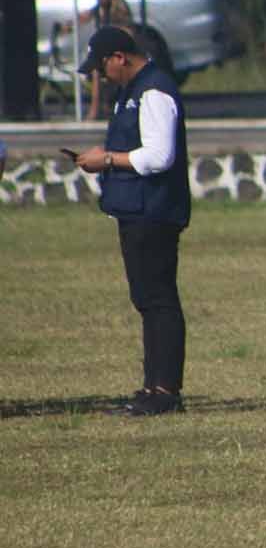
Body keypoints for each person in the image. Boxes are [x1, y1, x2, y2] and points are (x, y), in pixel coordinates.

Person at [72, 26, 191, 418]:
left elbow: (159, 156)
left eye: (102, 67)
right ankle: (152, 385)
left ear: (120, 57)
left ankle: (165, 391)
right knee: (147, 301)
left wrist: (105, 159)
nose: (100, 77)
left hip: (153, 211)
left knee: (158, 301)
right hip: (137, 209)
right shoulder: (132, 91)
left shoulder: (153, 90)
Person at [72, 0, 133, 122]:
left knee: (97, 70)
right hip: (114, 35)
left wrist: (86, 16)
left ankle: (94, 110)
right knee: (102, 72)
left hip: (121, 35)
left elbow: (98, 7)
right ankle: (105, 106)